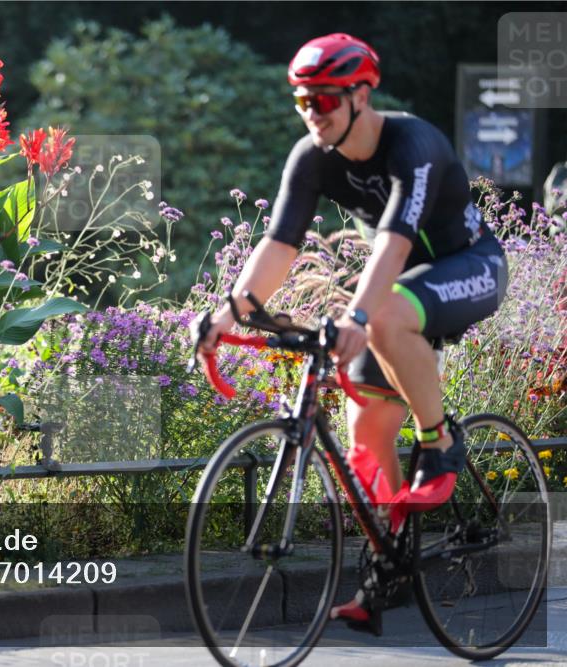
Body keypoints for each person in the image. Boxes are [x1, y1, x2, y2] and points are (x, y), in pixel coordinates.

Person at [196, 33, 507, 630]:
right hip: (400, 285)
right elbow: (279, 244)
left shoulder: (413, 143)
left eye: (326, 101)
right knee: (364, 429)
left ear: (362, 95)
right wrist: (228, 314)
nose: (313, 113)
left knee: (385, 316)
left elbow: (394, 239)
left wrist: (359, 317)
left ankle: (441, 442)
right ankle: (389, 562)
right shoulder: (311, 157)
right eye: (304, 101)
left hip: (469, 267)